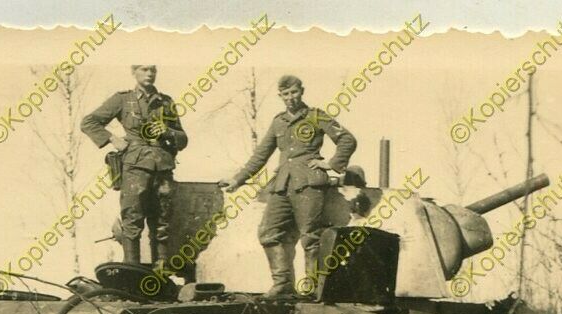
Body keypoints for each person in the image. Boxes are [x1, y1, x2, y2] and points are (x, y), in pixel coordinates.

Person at [221, 75, 357, 298]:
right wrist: (237, 179)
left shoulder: (315, 116)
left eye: (294, 92)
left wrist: (331, 164)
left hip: (309, 184)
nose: (290, 98)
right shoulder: (279, 122)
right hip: (282, 185)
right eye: (285, 94)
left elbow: (347, 140)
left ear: (301, 91)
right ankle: (283, 283)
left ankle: (313, 289)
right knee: (268, 232)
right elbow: (260, 155)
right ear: (280, 96)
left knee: (310, 237)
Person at [81, 65, 188, 265]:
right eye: (144, 69)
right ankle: (132, 271)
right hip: (135, 167)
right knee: (132, 220)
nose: (149, 74)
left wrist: (167, 132)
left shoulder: (166, 102)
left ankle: (160, 274)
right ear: (134, 72)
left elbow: (183, 140)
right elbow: (89, 122)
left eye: (153, 70)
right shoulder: (123, 99)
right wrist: (112, 139)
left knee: (162, 222)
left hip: (163, 168)